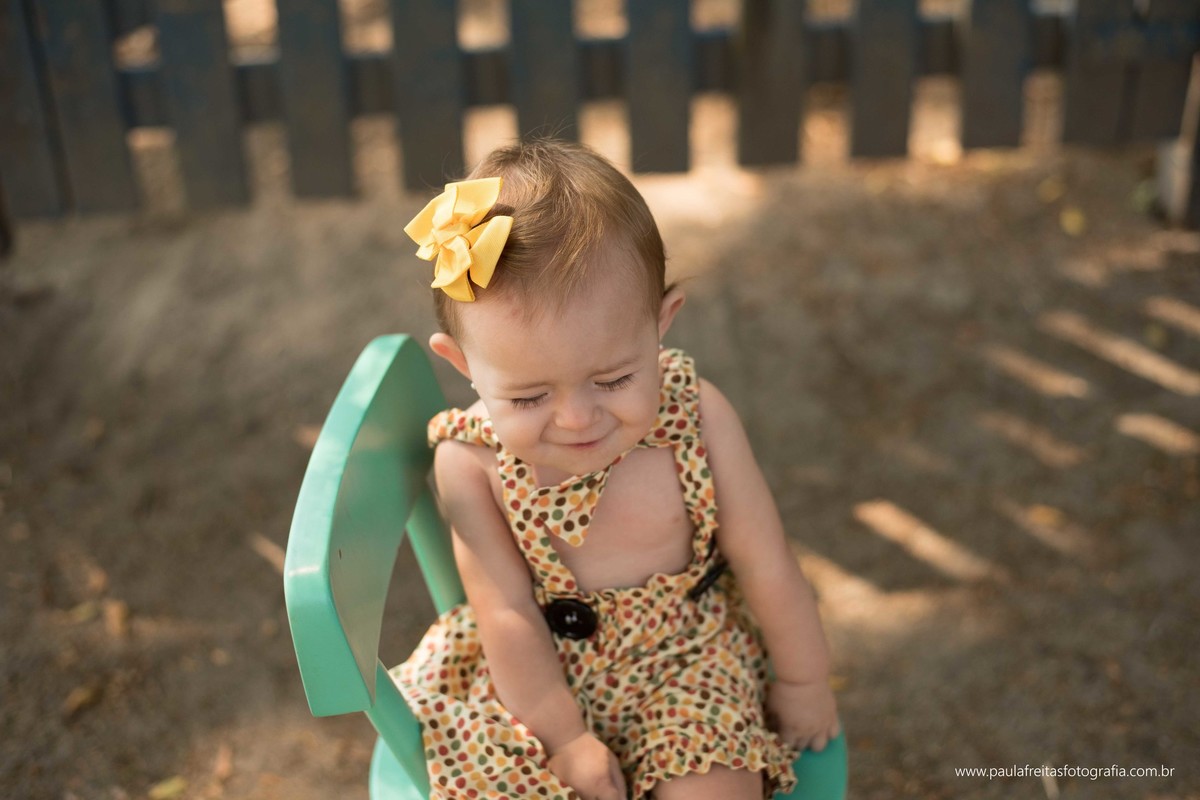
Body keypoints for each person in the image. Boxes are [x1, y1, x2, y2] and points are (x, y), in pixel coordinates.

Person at [394, 139, 839, 800]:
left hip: (686, 659)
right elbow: (507, 613)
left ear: (661, 326)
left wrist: (803, 680)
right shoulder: (470, 464)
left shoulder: (696, 416)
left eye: (614, 378)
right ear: (462, 365)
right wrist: (564, 738)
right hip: (534, 681)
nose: (576, 419)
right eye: (527, 396)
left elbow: (764, 557)